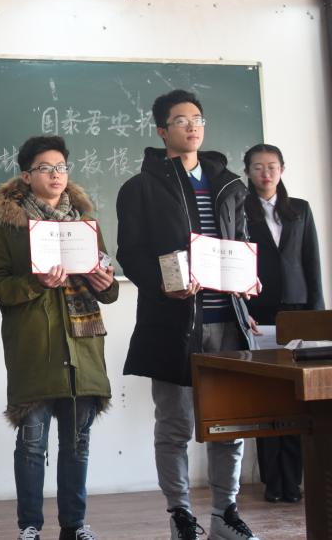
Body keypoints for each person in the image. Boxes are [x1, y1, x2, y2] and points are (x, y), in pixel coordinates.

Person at [116, 89, 261, 540]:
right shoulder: (140, 187)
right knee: (175, 425)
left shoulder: (230, 184)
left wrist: (248, 283)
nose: (192, 126)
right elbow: (131, 254)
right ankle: (180, 515)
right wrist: (164, 284)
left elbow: (240, 243)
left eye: (197, 118)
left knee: (229, 424)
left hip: (227, 323)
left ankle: (225, 515)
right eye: (181, 120)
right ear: (162, 131)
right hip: (174, 323)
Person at [0, 135, 117, 540]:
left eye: (61, 167)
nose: (56, 175)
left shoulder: (85, 224)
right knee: (31, 445)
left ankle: (74, 525)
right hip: (34, 348)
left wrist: (105, 283)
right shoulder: (9, 228)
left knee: (78, 445)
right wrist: (35, 282)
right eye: (45, 168)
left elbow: (107, 287)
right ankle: (30, 526)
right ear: (26, 176)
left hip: (83, 347)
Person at [244, 143, 323, 504]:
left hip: (297, 312)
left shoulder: (300, 210)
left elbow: (311, 262)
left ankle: (293, 482)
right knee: (266, 399)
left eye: (272, 166)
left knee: (295, 399)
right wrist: (239, 308)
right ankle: (272, 484)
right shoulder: (241, 210)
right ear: (248, 172)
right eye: (258, 167)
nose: (266, 173)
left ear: (282, 169)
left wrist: (316, 318)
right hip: (258, 314)